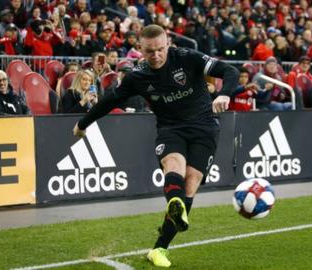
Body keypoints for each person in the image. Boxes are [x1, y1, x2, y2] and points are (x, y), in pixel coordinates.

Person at [72, 24, 238, 267]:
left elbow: (229, 70)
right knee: (174, 165)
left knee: (190, 183)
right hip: (171, 129)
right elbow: (109, 101)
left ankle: (159, 248)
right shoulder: (138, 76)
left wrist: (226, 94)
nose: (156, 55)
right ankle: (174, 204)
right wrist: (83, 123)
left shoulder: (187, 57)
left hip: (205, 127)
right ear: (140, 48)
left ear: (168, 43)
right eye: (150, 51)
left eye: (160, 49)